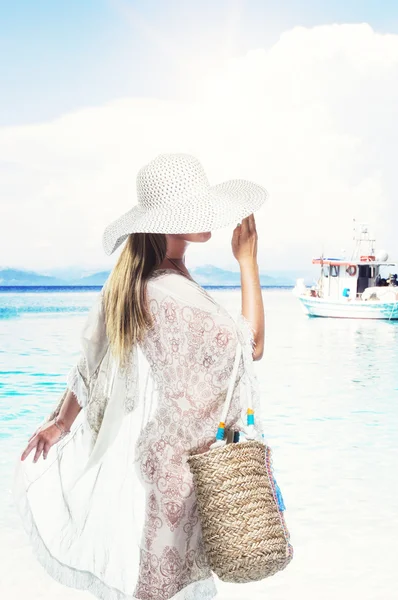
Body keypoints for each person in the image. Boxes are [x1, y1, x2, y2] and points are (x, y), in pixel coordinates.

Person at [13, 153, 268, 600]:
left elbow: (91, 362)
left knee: (167, 584)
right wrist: (248, 261)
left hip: (183, 457)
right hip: (184, 465)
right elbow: (252, 347)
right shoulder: (160, 288)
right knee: (160, 589)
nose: (207, 215)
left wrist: (61, 423)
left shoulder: (158, 280)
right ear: (171, 220)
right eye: (197, 207)